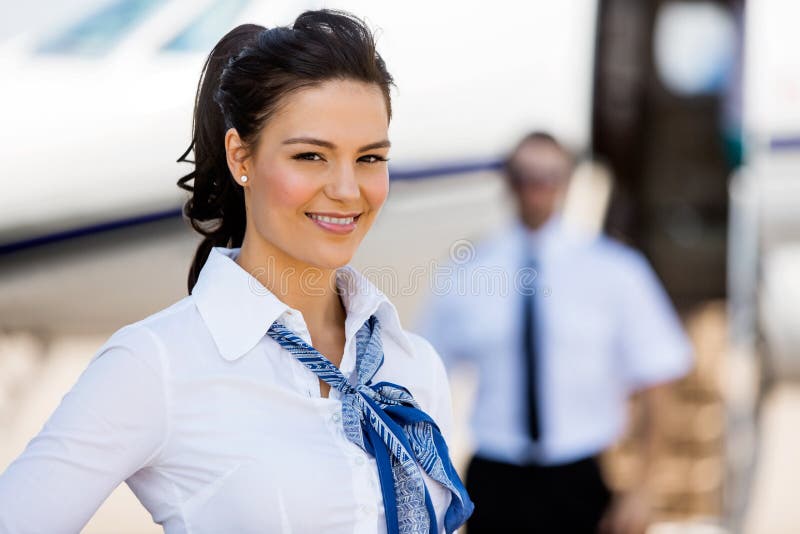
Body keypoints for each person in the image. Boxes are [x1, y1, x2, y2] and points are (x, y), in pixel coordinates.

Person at [0, 10, 472, 534]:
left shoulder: (414, 365)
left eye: (369, 158)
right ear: (240, 156)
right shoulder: (157, 363)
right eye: (312, 155)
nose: (346, 189)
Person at [415, 132, 693, 534]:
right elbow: (425, 378)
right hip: (496, 475)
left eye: (549, 175)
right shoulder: (469, 271)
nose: (537, 187)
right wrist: (431, 484)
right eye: (525, 175)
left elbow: (659, 377)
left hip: (581, 473)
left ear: (567, 180)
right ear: (508, 182)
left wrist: (644, 488)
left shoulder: (615, 269)